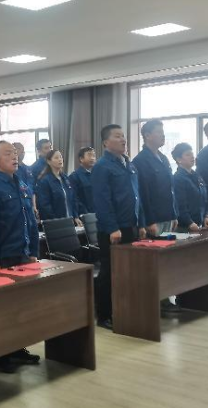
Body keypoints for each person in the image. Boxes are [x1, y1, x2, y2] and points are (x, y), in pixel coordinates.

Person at [0, 141, 41, 373]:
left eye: (15, 153)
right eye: (8, 154)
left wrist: (33, 252)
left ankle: (17, 347)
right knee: (2, 309)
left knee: (20, 306)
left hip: (23, 254)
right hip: (3, 258)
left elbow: (30, 221)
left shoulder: (21, 183)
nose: (14, 157)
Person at [92, 125, 146, 331]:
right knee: (109, 272)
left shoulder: (128, 164)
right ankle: (104, 315)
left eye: (123, 136)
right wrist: (112, 228)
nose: (123, 139)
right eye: (117, 136)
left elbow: (137, 196)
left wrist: (141, 223)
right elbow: (102, 201)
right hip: (113, 230)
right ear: (106, 142)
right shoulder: (102, 166)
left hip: (131, 226)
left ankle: (124, 308)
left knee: (128, 271)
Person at [133, 119, 177, 237]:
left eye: (163, 132)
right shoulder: (140, 161)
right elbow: (143, 194)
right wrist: (149, 221)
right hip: (154, 220)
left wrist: (174, 215)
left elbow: (170, 189)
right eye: (159, 132)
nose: (163, 135)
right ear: (147, 136)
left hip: (168, 216)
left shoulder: (164, 158)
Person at [172, 143, 208, 232]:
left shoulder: (197, 176)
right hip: (185, 226)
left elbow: (204, 200)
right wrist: (189, 222)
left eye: (192, 154)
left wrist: (206, 216)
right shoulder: (178, 178)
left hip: (200, 224)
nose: (192, 157)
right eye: (188, 154)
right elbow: (180, 205)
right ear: (179, 159)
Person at [35, 149, 81, 224]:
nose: (60, 159)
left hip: (70, 220)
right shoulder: (44, 181)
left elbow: (73, 199)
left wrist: (75, 216)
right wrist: (56, 220)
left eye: (61, 157)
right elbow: (44, 205)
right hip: (55, 222)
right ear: (49, 161)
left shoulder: (65, 178)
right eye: (56, 158)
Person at [69, 147, 97, 215]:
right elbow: (74, 198)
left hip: (99, 213)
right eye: (89, 155)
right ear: (81, 159)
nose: (92, 158)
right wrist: (84, 213)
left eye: (94, 156)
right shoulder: (74, 176)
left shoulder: (97, 175)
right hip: (84, 215)